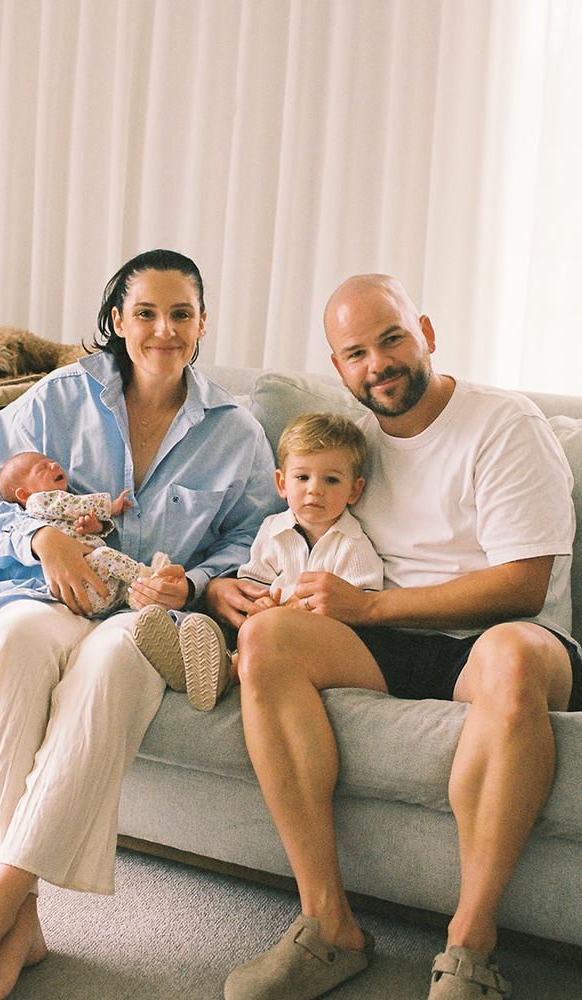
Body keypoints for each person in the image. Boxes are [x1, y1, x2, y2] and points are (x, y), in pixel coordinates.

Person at [209, 274, 581, 1000]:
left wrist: (370, 610)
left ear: (427, 333)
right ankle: (329, 927)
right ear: (338, 368)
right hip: (383, 638)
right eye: (354, 353)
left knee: (507, 656)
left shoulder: (504, 425)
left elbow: (525, 586)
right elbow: (292, 533)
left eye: (391, 339)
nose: (376, 363)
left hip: (503, 639)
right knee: (267, 642)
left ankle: (470, 947)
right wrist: (228, 584)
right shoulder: (352, 448)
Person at [0, 249, 279, 1000]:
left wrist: (199, 579)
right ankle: (20, 921)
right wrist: (42, 537)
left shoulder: (236, 431)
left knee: (113, 666)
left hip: (148, 614)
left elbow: (253, 540)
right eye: (146, 313)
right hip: (44, 593)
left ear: (202, 323)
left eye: (180, 314)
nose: (163, 329)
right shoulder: (58, 398)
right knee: (17, 644)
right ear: (118, 321)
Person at [135, 411, 384, 711]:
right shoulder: (272, 529)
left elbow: (362, 615)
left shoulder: (353, 545)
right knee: (229, 622)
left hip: (319, 644)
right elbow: (253, 583)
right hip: (261, 629)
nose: (314, 489)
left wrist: (292, 614)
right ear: (281, 483)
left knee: (260, 635)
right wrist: (261, 603)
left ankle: (222, 672)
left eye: (331, 480)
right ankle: (184, 650)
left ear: (354, 490)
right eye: (302, 477)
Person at [0, 449, 172, 616]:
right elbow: (73, 504)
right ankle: (149, 577)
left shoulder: (58, 516)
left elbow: (87, 533)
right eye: (42, 468)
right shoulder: (39, 501)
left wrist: (95, 527)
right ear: (24, 494)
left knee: (116, 575)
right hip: (82, 584)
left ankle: (137, 599)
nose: (55, 465)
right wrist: (110, 507)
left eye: (52, 462)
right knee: (105, 555)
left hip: (95, 593)